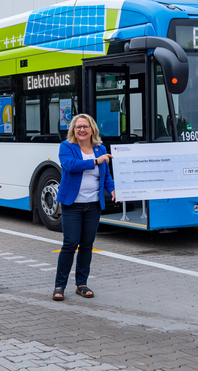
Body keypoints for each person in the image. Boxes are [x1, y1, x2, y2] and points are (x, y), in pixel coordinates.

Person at [53, 114, 115, 301]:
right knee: (70, 244)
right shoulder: (67, 147)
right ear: (73, 130)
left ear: (92, 129)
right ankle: (59, 286)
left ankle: (82, 284)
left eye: (85, 126)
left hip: (93, 205)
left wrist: (112, 190)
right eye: (78, 127)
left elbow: (106, 176)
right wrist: (97, 161)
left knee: (87, 245)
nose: (82, 130)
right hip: (72, 205)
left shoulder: (100, 148)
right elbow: (71, 166)